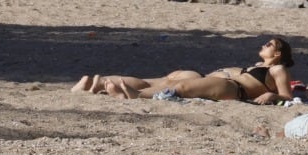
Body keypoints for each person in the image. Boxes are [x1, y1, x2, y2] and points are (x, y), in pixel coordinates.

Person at [76, 37, 296, 105]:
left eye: (269, 44)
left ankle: (134, 96)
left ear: (277, 54)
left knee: (179, 87)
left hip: (232, 89)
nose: (264, 45)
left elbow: (287, 95)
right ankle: (100, 83)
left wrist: (272, 95)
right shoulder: (256, 66)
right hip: (214, 80)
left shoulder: (278, 69)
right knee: (165, 81)